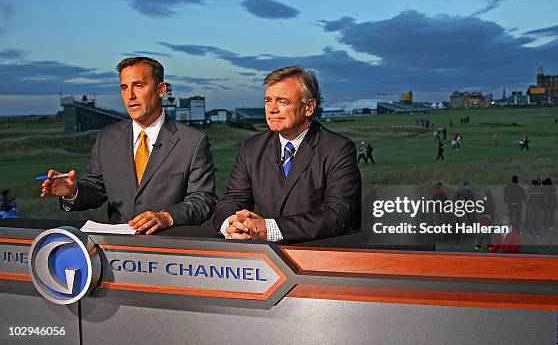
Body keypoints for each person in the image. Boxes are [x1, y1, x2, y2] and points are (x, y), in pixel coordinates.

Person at [40, 57, 217, 234]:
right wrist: (72, 192)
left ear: (161, 89)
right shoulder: (107, 138)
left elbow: (203, 200)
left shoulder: (192, 141)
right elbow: (96, 189)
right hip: (119, 251)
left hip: (169, 248)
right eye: (124, 87)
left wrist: (166, 217)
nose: (130, 96)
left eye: (139, 85)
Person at [213, 66, 361, 243]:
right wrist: (232, 226)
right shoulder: (252, 148)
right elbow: (231, 200)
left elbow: (336, 214)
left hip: (317, 256)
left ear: (309, 107)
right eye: (268, 100)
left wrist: (268, 229)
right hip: (263, 258)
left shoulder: (338, 149)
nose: (272, 109)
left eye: (282, 101)